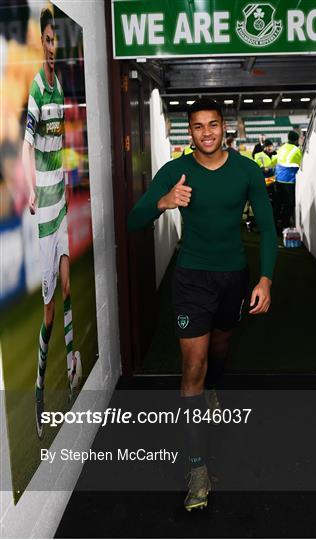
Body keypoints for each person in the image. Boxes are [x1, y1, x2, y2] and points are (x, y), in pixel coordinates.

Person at [128, 97, 278, 511]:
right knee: (192, 366)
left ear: (224, 127)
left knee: (219, 349)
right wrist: (164, 202)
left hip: (234, 278)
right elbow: (134, 220)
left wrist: (265, 278)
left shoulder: (247, 170)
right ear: (188, 131)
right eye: (198, 126)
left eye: (213, 124)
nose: (206, 133)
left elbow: (267, 229)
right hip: (192, 277)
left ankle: (213, 385)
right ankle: (197, 468)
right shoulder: (176, 171)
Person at [22, 8, 80, 439]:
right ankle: (40, 394)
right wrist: (28, 190)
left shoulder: (59, 85)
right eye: (47, 38)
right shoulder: (39, 89)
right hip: (43, 207)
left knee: (67, 286)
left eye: (56, 38)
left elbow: (60, 146)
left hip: (60, 201)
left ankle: (73, 362)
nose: (52, 44)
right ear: (39, 42)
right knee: (47, 308)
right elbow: (27, 147)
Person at [271, 130, 302, 231]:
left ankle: (274, 224)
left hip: (278, 180)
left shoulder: (282, 147)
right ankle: (284, 224)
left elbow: (274, 161)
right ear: (296, 140)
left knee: (277, 203)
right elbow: (302, 165)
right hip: (289, 182)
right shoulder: (297, 150)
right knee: (289, 204)